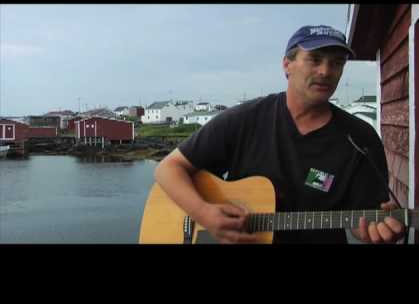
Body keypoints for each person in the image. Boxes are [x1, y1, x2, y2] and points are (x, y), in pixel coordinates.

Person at [154, 25, 405, 244]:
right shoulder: (245, 119)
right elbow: (168, 168)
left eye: (337, 63)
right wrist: (204, 214)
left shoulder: (360, 139)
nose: (326, 71)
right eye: (315, 59)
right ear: (287, 65)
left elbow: (360, 223)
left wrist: (377, 232)